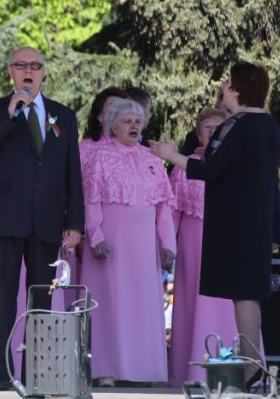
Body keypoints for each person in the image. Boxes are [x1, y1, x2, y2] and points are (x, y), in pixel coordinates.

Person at [150, 62, 280, 388]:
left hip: (236, 223)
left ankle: (250, 367)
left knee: (243, 294)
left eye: (227, 82)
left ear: (236, 89)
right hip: (256, 222)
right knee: (248, 294)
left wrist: (171, 155)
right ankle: (252, 364)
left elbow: (210, 170)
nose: (222, 87)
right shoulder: (268, 125)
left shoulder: (239, 126)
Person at [0, 46, 84, 390]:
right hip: (4, 218)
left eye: (35, 65)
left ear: (44, 72)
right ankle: (0, 375)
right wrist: (10, 113)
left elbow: (72, 170)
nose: (28, 70)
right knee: (0, 300)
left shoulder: (62, 115)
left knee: (41, 299)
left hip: (47, 219)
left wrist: (75, 222)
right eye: (21, 65)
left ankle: (38, 374)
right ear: (11, 71)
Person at [80, 98, 176, 387]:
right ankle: (106, 371)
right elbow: (91, 200)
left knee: (142, 304)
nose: (134, 126)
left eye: (137, 121)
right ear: (113, 126)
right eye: (127, 121)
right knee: (111, 303)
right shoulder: (101, 157)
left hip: (144, 246)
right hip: (111, 244)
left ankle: (143, 370)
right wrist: (96, 236)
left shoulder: (152, 159)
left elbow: (164, 208)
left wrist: (168, 245)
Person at [168, 107, 239, 387]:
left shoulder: (237, 164)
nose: (213, 132)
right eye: (208, 127)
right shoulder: (184, 167)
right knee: (193, 303)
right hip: (193, 242)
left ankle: (237, 368)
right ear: (198, 135)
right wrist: (167, 246)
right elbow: (172, 212)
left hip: (229, 242)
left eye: (219, 127)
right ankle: (191, 371)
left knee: (230, 304)